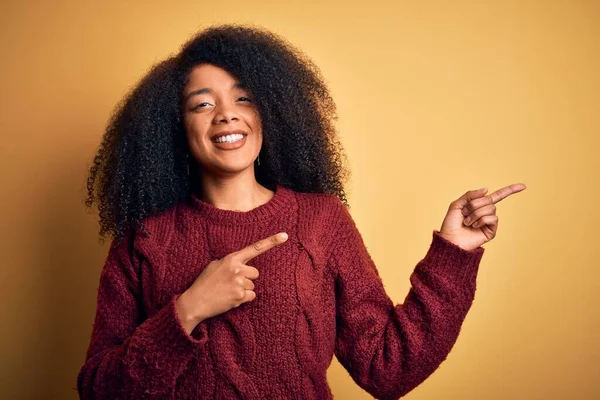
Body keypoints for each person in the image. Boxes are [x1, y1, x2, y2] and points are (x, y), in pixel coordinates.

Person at [77, 24, 526, 400]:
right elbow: (97, 389)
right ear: (175, 127)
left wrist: (453, 253)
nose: (226, 115)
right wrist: (188, 310)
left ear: (272, 112)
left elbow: (388, 369)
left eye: (244, 98)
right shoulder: (145, 238)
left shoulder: (320, 221)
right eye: (203, 104)